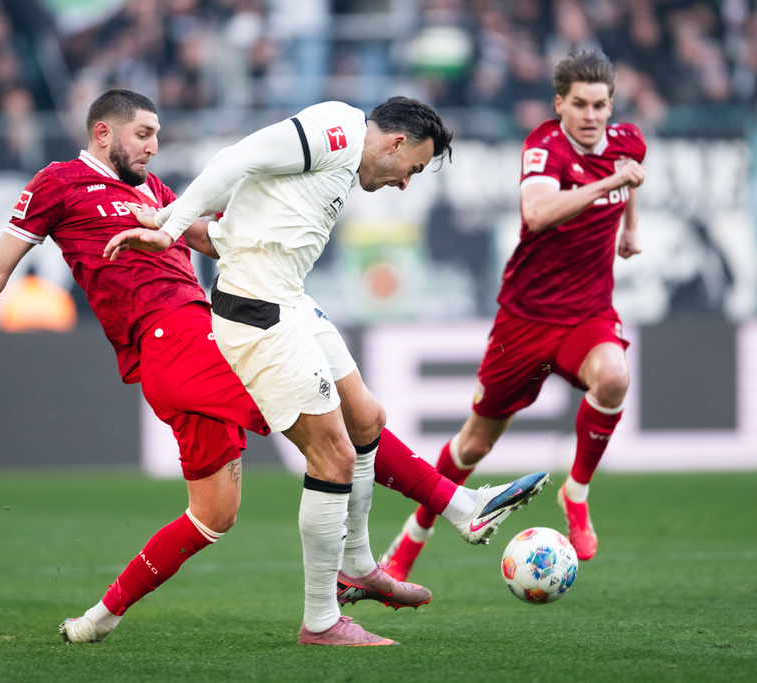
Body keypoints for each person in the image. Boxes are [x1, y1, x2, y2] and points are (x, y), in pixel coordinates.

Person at [0, 88, 544, 648]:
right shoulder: (59, 183)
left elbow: (209, 233)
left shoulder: (162, 191)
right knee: (340, 430)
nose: (151, 148)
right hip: (175, 337)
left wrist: (195, 225)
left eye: (158, 136)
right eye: (141, 135)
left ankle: (95, 618)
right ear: (102, 130)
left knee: (215, 512)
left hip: (204, 329)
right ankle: (416, 534)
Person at [104, 95, 549, 646]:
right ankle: (321, 620)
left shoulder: (335, 167)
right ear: (395, 143)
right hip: (257, 312)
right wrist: (171, 227)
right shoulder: (336, 129)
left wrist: (184, 222)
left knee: (366, 417)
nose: (404, 184)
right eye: (410, 170)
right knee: (333, 456)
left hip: (287, 299)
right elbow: (238, 157)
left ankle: (391, 547)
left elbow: (248, 207)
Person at [382, 50, 648, 583]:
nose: (591, 115)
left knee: (614, 378)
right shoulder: (544, 147)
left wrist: (629, 229)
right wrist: (605, 185)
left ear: (611, 106)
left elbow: (629, 181)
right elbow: (537, 213)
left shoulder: (629, 143)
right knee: (475, 443)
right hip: (525, 319)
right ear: (559, 104)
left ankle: (577, 491)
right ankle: (412, 537)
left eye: (600, 104)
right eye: (579, 104)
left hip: (588, 314)